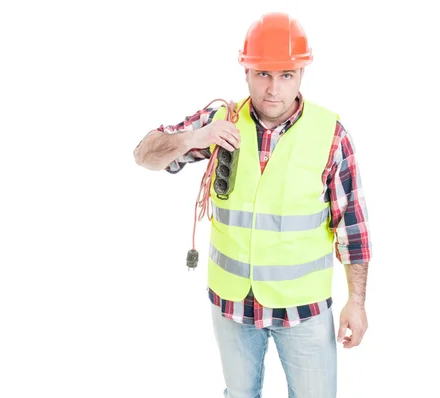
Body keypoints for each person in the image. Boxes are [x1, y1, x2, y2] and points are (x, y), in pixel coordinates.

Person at [133, 11, 371, 398]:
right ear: (245, 71)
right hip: (233, 307)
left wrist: (356, 303)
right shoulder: (218, 122)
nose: (273, 89)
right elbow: (144, 155)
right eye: (263, 74)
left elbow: (354, 228)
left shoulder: (330, 135)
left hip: (304, 311)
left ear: (301, 75)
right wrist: (195, 137)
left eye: (285, 75)